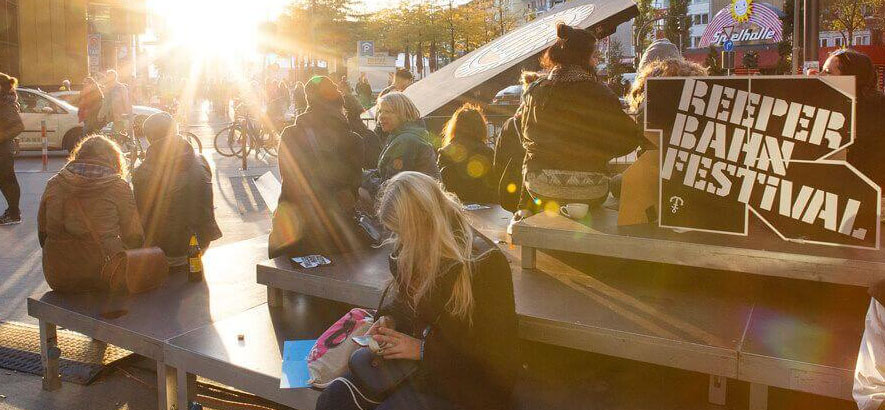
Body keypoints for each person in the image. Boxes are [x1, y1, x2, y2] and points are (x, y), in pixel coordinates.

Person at [316, 171, 518, 410]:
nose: (400, 240)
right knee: (332, 399)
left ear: (424, 222)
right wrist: (388, 318)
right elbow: (406, 303)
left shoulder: (484, 263)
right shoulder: (413, 248)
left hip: (466, 386)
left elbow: (497, 358)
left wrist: (423, 350)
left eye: (403, 232)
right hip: (417, 371)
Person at [518, 23, 641, 214]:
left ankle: (523, 210)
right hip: (590, 190)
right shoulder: (600, 92)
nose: (596, 61)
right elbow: (628, 139)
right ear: (583, 58)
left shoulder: (535, 91)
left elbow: (525, 137)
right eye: (594, 56)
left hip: (538, 188)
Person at [269, 76, 365, 258]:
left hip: (293, 228)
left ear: (307, 101)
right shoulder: (353, 140)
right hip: (337, 232)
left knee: (288, 282)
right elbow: (353, 187)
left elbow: (287, 178)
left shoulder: (290, 134)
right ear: (339, 104)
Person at [38, 136, 144, 292]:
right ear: (114, 159)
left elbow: (42, 234)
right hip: (106, 274)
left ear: (78, 155)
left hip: (59, 275)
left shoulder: (54, 183)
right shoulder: (118, 186)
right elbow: (135, 236)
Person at [131, 113, 221, 268]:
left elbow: (139, 215)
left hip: (167, 250)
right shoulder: (200, 159)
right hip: (201, 241)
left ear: (149, 138)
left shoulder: (143, 171)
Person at [821, 49, 885, 190]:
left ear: (852, 77)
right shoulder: (826, 105)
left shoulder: (876, 108)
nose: (821, 76)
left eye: (828, 72)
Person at [494, 71, 539, 212]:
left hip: (515, 188)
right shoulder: (548, 125)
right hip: (542, 191)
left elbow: (498, 162)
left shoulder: (511, 124)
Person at [374, 92, 439, 183]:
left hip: (417, 195)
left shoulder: (406, 140)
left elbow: (391, 184)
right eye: (380, 111)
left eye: (387, 112)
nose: (381, 116)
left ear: (402, 114)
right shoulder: (404, 136)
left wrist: (362, 179)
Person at [437, 103, 495, 204]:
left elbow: (441, 183)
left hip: (455, 204)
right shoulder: (488, 152)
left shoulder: (445, 152)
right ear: (480, 127)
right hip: (484, 203)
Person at [0, 73, 24, 226]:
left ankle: (14, 213)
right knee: (6, 181)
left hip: (3, 150)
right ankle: (13, 212)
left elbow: (19, 126)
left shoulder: (6, 104)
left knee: (8, 181)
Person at [99, 70, 132, 135]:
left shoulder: (121, 87)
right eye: (107, 76)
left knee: (116, 134)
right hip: (109, 116)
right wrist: (101, 114)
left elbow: (126, 101)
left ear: (114, 77)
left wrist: (128, 113)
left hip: (119, 116)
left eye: (108, 76)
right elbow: (105, 103)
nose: (107, 77)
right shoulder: (106, 88)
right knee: (113, 134)